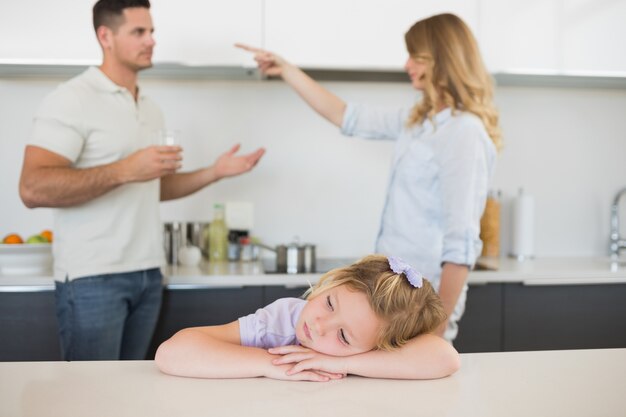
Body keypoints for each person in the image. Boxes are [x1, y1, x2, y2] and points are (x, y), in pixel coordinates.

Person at [18, 0, 265, 361]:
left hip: (148, 274)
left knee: (132, 394)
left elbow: (153, 187)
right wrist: (125, 169)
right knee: (92, 397)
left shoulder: (149, 107)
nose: (151, 40)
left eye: (152, 32)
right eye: (139, 32)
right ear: (106, 36)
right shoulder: (71, 99)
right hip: (93, 277)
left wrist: (215, 172)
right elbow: (32, 188)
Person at [236, 13, 501, 342]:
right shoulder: (420, 122)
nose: (407, 64)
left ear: (442, 60)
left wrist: (437, 328)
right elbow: (346, 115)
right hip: (388, 296)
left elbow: (460, 246)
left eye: (416, 57)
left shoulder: (464, 133)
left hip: (418, 308)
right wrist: (287, 70)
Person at [155, 255, 460, 381]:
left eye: (343, 337)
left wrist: (341, 364)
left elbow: (445, 358)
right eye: (329, 303)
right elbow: (171, 352)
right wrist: (273, 366)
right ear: (333, 280)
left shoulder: (375, 348)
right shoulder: (283, 320)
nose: (319, 325)